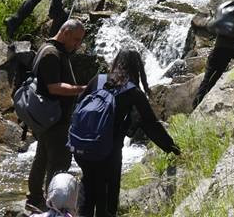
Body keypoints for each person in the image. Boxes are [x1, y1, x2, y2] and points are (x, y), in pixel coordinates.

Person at [74, 49, 180, 217]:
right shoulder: (133, 92)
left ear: (116, 62)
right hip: (109, 150)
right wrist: (173, 149)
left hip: (82, 146)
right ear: (136, 67)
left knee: (88, 184)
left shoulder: (98, 79)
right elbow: (151, 125)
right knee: (108, 193)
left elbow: (78, 107)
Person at [26, 20, 88, 212]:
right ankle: (53, 207)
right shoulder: (52, 54)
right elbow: (54, 87)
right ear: (66, 32)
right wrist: (84, 89)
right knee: (59, 163)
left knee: (42, 158)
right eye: (76, 40)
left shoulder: (48, 48)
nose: (77, 45)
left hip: (46, 118)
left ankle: (35, 198)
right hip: (55, 119)